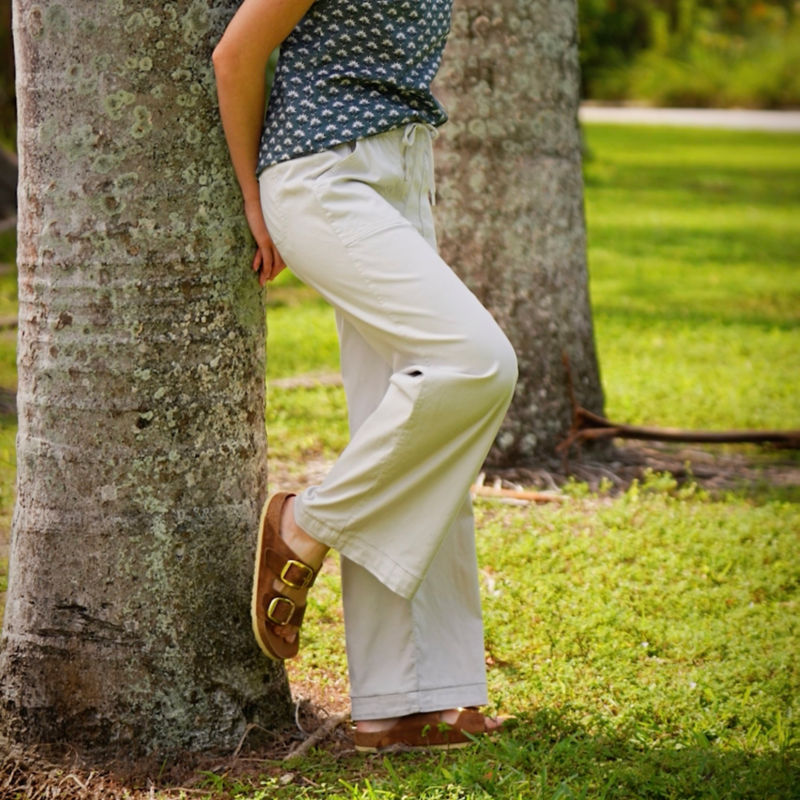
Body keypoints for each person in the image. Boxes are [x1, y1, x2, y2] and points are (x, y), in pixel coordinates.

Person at [213, 0, 518, 752]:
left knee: (425, 434)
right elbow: (236, 57)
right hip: (326, 177)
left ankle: (408, 700)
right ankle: (305, 524)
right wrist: (253, 198)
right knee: (477, 363)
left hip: (403, 174)